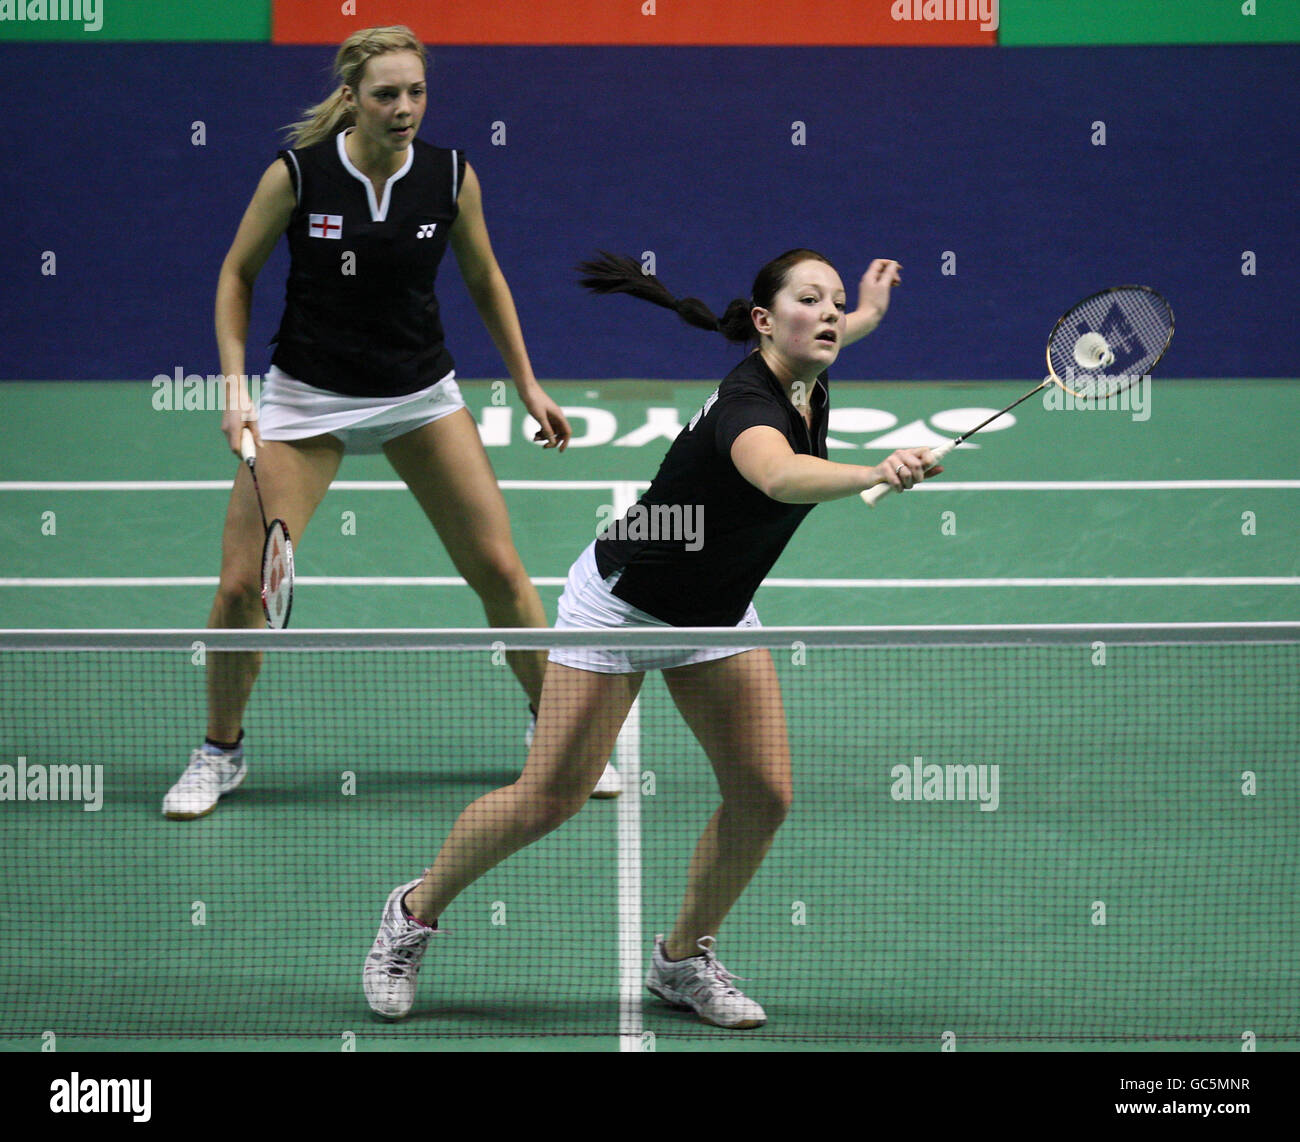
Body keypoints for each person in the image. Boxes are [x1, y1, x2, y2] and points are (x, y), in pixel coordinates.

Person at [362, 248, 943, 1028]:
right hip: (622, 609)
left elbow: (838, 338)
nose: (833, 314)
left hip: (714, 611)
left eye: (837, 301)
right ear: (767, 322)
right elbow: (778, 477)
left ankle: (681, 962)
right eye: (815, 301)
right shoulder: (751, 409)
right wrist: (875, 470)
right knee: (550, 798)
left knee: (763, 796)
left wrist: (868, 310)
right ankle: (411, 913)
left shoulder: (805, 373)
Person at [162, 25, 620, 819]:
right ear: (351, 97)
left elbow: (484, 276)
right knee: (241, 587)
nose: (404, 107)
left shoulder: (449, 176)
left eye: (415, 92)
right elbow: (237, 273)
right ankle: (219, 752)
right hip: (307, 398)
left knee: (502, 573)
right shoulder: (299, 175)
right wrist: (236, 391)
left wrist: (528, 382)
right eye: (386, 94)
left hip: (417, 395)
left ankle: (556, 734)